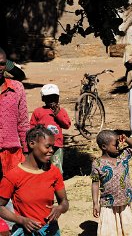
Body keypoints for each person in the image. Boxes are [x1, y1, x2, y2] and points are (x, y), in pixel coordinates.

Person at [0, 125, 69, 235]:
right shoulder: (12, 176)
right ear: (32, 144)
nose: (51, 150)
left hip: (49, 230)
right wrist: (21, 220)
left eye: (52, 147)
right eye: (47, 146)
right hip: (25, 231)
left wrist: (60, 208)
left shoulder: (54, 172)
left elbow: (64, 202)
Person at [91, 130, 132, 236]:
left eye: (118, 143)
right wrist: (95, 203)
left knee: (126, 226)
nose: (118, 146)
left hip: (124, 199)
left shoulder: (123, 156)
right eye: (115, 144)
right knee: (109, 229)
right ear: (104, 147)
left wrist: (126, 139)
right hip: (108, 202)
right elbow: (95, 183)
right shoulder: (97, 164)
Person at [0, 47, 28, 177]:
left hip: (12, 154)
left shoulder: (17, 88)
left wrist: (27, 151)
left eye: (2, 64)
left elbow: (23, 123)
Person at [30, 84, 71, 174]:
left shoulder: (61, 111)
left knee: (56, 166)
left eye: (54, 97)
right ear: (43, 99)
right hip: (41, 145)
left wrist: (58, 114)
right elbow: (32, 126)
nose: (52, 101)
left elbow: (67, 125)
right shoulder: (38, 111)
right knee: (42, 165)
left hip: (56, 144)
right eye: (49, 98)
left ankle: (57, 184)